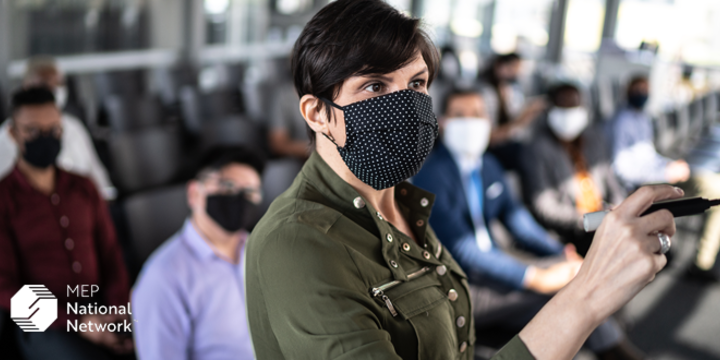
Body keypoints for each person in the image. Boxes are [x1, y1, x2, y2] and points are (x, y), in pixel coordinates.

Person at [246, 1, 680, 359]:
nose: (405, 104)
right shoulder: (297, 245)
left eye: (416, 83)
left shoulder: (403, 202)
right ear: (318, 113)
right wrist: (587, 293)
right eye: (375, 87)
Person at [413, 89, 644, 359]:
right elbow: (463, 250)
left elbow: (517, 219)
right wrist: (536, 277)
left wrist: (557, 251)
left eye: (476, 115)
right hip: (456, 288)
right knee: (569, 290)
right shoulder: (431, 175)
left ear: (488, 121)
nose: (470, 122)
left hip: (493, 270)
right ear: (443, 122)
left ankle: (614, 350)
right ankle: (621, 354)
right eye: (459, 115)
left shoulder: (488, 165)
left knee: (569, 296)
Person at [0, 87, 131, 359]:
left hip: (98, 306)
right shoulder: (4, 200)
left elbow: (110, 254)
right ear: (13, 133)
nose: (45, 138)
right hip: (42, 320)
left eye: (53, 130)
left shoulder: (84, 187)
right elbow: (5, 287)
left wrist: (118, 309)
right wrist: (76, 321)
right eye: (32, 131)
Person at [132, 146, 264, 360]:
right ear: (194, 193)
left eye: (250, 192)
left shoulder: (263, 251)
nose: (239, 199)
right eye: (227, 187)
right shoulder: (164, 276)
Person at [610, 75, 720, 281]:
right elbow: (623, 169)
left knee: (713, 190)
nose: (643, 94)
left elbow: (648, 156)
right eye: (639, 89)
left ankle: (703, 261)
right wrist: (665, 173)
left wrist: (669, 164)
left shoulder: (641, 118)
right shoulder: (621, 123)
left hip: (659, 174)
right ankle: (702, 262)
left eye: (646, 89)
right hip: (645, 183)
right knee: (713, 191)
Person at [522, 83, 626, 256]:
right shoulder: (537, 149)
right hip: (573, 228)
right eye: (563, 107)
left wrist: (619, 207)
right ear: (550, 110)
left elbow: (610, 179)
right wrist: (586, 218)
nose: (569, 112)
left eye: (574, 106)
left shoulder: (594, 139)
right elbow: (544, 205)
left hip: (604, 215)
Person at [0, 56, 115, 199]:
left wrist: (106, 198)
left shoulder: (74, 126)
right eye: (45, 84)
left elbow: (96, 172)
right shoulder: (7, 137)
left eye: (59, 84)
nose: (54, 90)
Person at [478, 53, 546, 171]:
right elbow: (490, 137)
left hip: (506, 142)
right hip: (491, 148)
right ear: (499, 66)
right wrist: (522, 119)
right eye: (512, 68)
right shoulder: (485, 93)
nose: (516, 73)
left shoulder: (509, 89)